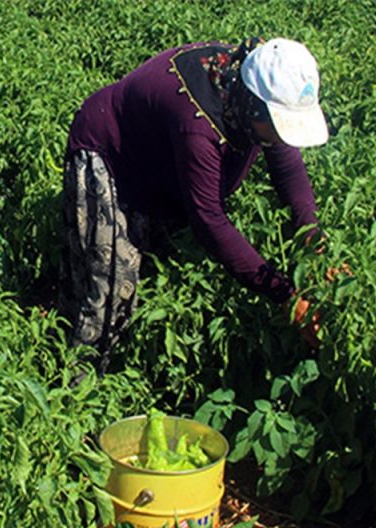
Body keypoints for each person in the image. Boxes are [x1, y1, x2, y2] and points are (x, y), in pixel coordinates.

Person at [59, 37, 329, 366]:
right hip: (109, 154)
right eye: (275, 125)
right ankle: (78, 387)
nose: (279, 136)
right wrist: (286, 296)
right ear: (253, 105)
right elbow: (209, 221)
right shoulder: (198, 124)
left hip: (157, 160)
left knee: (153, 262)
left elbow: (288, 170)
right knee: (112, 284)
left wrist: (314, 245)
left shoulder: (251, 90)